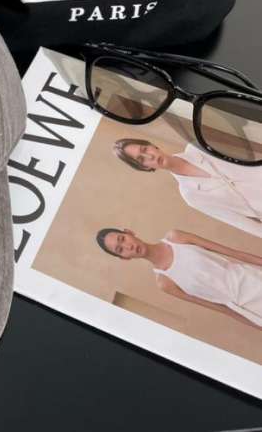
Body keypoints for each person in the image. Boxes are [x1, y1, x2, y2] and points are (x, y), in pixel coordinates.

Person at [96, 227, 262, 330]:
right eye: (121, 249)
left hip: (252, 278)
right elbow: (222, 309)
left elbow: (234, 253)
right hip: (247, 307)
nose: (128, 246)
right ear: (124, 258)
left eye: (122, 239)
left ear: (129, 232)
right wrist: (256, 324)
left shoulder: (176, 238)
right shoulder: (165, 283)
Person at [113, 138, 262, 238]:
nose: (150, 156)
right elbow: (236, 220)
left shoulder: (198, 146)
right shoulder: (190, 195)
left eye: (145, 149)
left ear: (152, 145)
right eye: (141, 159)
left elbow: (247, 150)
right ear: (144, 168)